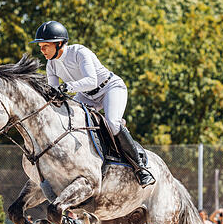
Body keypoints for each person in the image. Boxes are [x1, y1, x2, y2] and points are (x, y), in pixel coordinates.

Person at [31, 20, 155, 187]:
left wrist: (67, 87)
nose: (42, 50)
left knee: (112, 123)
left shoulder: (79, 52)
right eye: (41, 47)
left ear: (59, 44)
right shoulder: (51, 65)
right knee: (69, 120)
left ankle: (140, 167)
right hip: (86, 95)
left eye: (45, 46)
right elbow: (55, 92)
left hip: (110, 88)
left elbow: (91, 80)